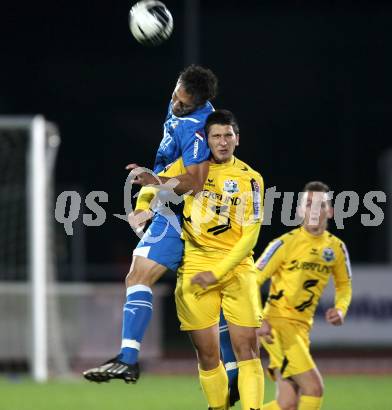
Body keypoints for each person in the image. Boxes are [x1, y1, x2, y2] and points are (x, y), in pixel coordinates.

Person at [83, 64, 218, 383]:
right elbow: (166, 163)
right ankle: (128, 358)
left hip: (198, 215)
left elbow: (196, 182)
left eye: (183, 104)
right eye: (175, 96)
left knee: (212, 333)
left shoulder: (199, 126)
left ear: (197, 104)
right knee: (137, 273)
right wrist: (146, 201)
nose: (176, 105)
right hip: (170, 210)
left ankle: (238, 382)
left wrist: (154, 182)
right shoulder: (179, 105)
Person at [176, 109, 265, 409]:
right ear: (207, 139)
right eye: (216, 136)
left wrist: (219, 271)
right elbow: (157, 179)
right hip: (196, 265)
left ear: (237, 139)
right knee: (207, 354)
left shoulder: (250, 179)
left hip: (237, 267)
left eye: (228, 135)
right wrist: (142, 205)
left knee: (247, 349)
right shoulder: (192, 167)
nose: (223, 141)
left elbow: (250, 236)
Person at [256, 181, 353, 410]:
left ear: (330, 211)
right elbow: (252, 279)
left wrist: (340, 309)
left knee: (287, 403)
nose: (313, 211)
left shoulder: (336, 248)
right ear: (299, 210)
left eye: (320, 205)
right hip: (278, 326)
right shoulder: (284, 244)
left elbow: (344, 285)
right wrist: (258, 319)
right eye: (308, 204)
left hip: (301, 329)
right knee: (314, 388)